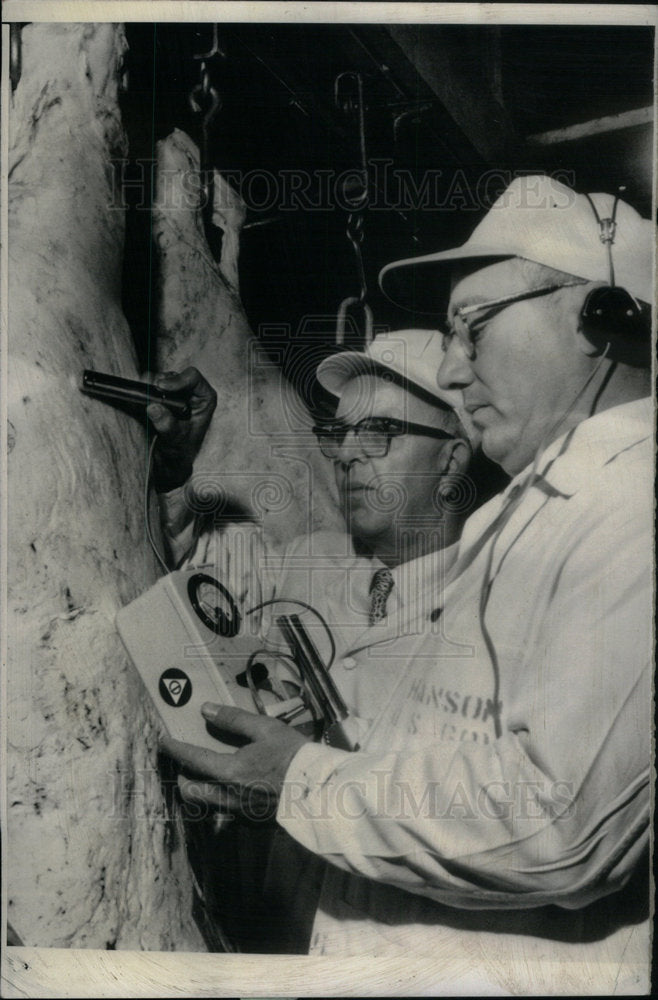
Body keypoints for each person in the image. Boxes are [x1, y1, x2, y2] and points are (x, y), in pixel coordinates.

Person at [159, 176, 652, 984]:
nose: (458, 374)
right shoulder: (541, 509)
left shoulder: (629, 513)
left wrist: (299, 776)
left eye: (474, 330)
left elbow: (561, 826)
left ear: (599, 316)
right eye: (341, 433)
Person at [149, 328, 477, 950]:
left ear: (452, 459)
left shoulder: (495, 606)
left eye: (379, 432)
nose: (348, 453)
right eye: (341, 432)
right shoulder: (302, 562)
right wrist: (171, 471)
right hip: (255, 931)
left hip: (394, 951)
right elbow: (164, 593)